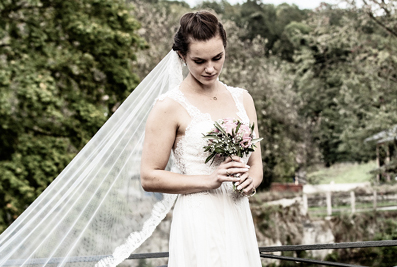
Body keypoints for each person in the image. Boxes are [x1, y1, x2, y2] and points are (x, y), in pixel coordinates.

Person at [140, 11, 263, 266]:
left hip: (238, 215)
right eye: (199, 61)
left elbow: (256, 165)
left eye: (218, 57)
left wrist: (251, 181)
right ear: (182, 56)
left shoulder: (243, 99)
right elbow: (149, 176)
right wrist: (209, 180)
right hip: (199, 219)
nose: (210, 68)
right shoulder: (168, 106)